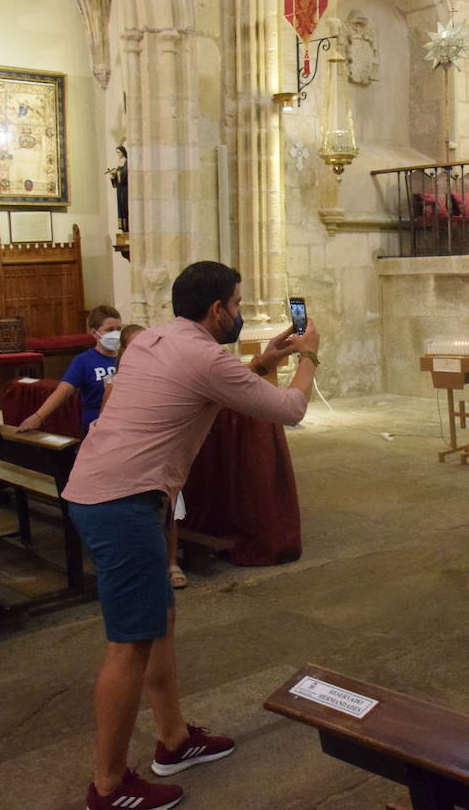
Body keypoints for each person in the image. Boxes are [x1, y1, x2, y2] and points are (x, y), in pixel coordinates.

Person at [63, 261, 319, 810]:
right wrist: (309, 355)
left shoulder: (153, 339)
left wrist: (264, 361)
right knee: (129, 644)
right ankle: (107, 787)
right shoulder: (204, 355)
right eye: (237, 301)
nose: (241, 309)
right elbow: (291, 410)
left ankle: (174, 741)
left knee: (158, 624)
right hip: (121, 503)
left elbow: (203, 384)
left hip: (107, 492)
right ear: (217, 310)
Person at [99, 323, 188, 590]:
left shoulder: (162, 378)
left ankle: (171, 563)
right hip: (130, 455)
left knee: (168, 508)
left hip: (160, 452)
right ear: (124, 351)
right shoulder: (114, 383)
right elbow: (106, 422)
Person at [17, 305, 122, 436]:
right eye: (110, 330)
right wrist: (38, 416)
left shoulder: (127, 356)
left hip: (123, 424)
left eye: (119, 329)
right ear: (94, 332)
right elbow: (63, 391)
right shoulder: (84, 361)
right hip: (96, 426)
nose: (116, 334)